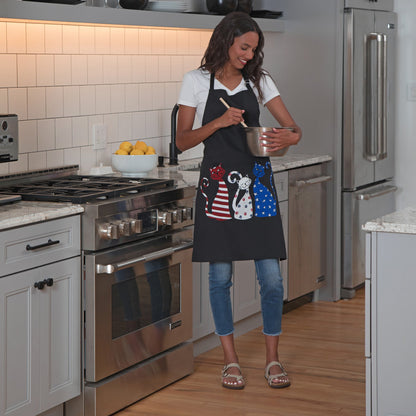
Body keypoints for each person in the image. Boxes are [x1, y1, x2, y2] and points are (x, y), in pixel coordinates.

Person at [176, 11, 302, 390]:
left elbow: (294, 128)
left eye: (253, 49)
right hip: (217, 187)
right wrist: (218, 122)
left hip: (257, 185)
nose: (249, 55)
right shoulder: (195, 82)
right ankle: (230, 360)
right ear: (226, 40)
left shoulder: (260, 81)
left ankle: (272, 358)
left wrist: (288, 138)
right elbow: (182, 141)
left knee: (272, 280)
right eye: (244, 47)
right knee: (219, 278)